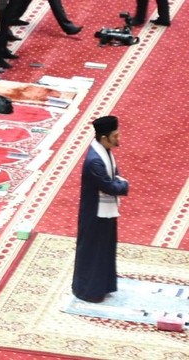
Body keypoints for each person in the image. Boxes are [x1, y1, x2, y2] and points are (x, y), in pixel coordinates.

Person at [72, 115, 129, 303]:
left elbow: (114, 174)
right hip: (94, 214)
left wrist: (118, 181)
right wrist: (124, 186)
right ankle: (88, 291)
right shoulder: (95, 162)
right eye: (115, 136)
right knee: (93, 251)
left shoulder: (105, 151)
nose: (118, 139)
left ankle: (102, 286)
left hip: (103, 212)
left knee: (104, 249)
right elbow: (110, 186)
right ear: (104, 138)